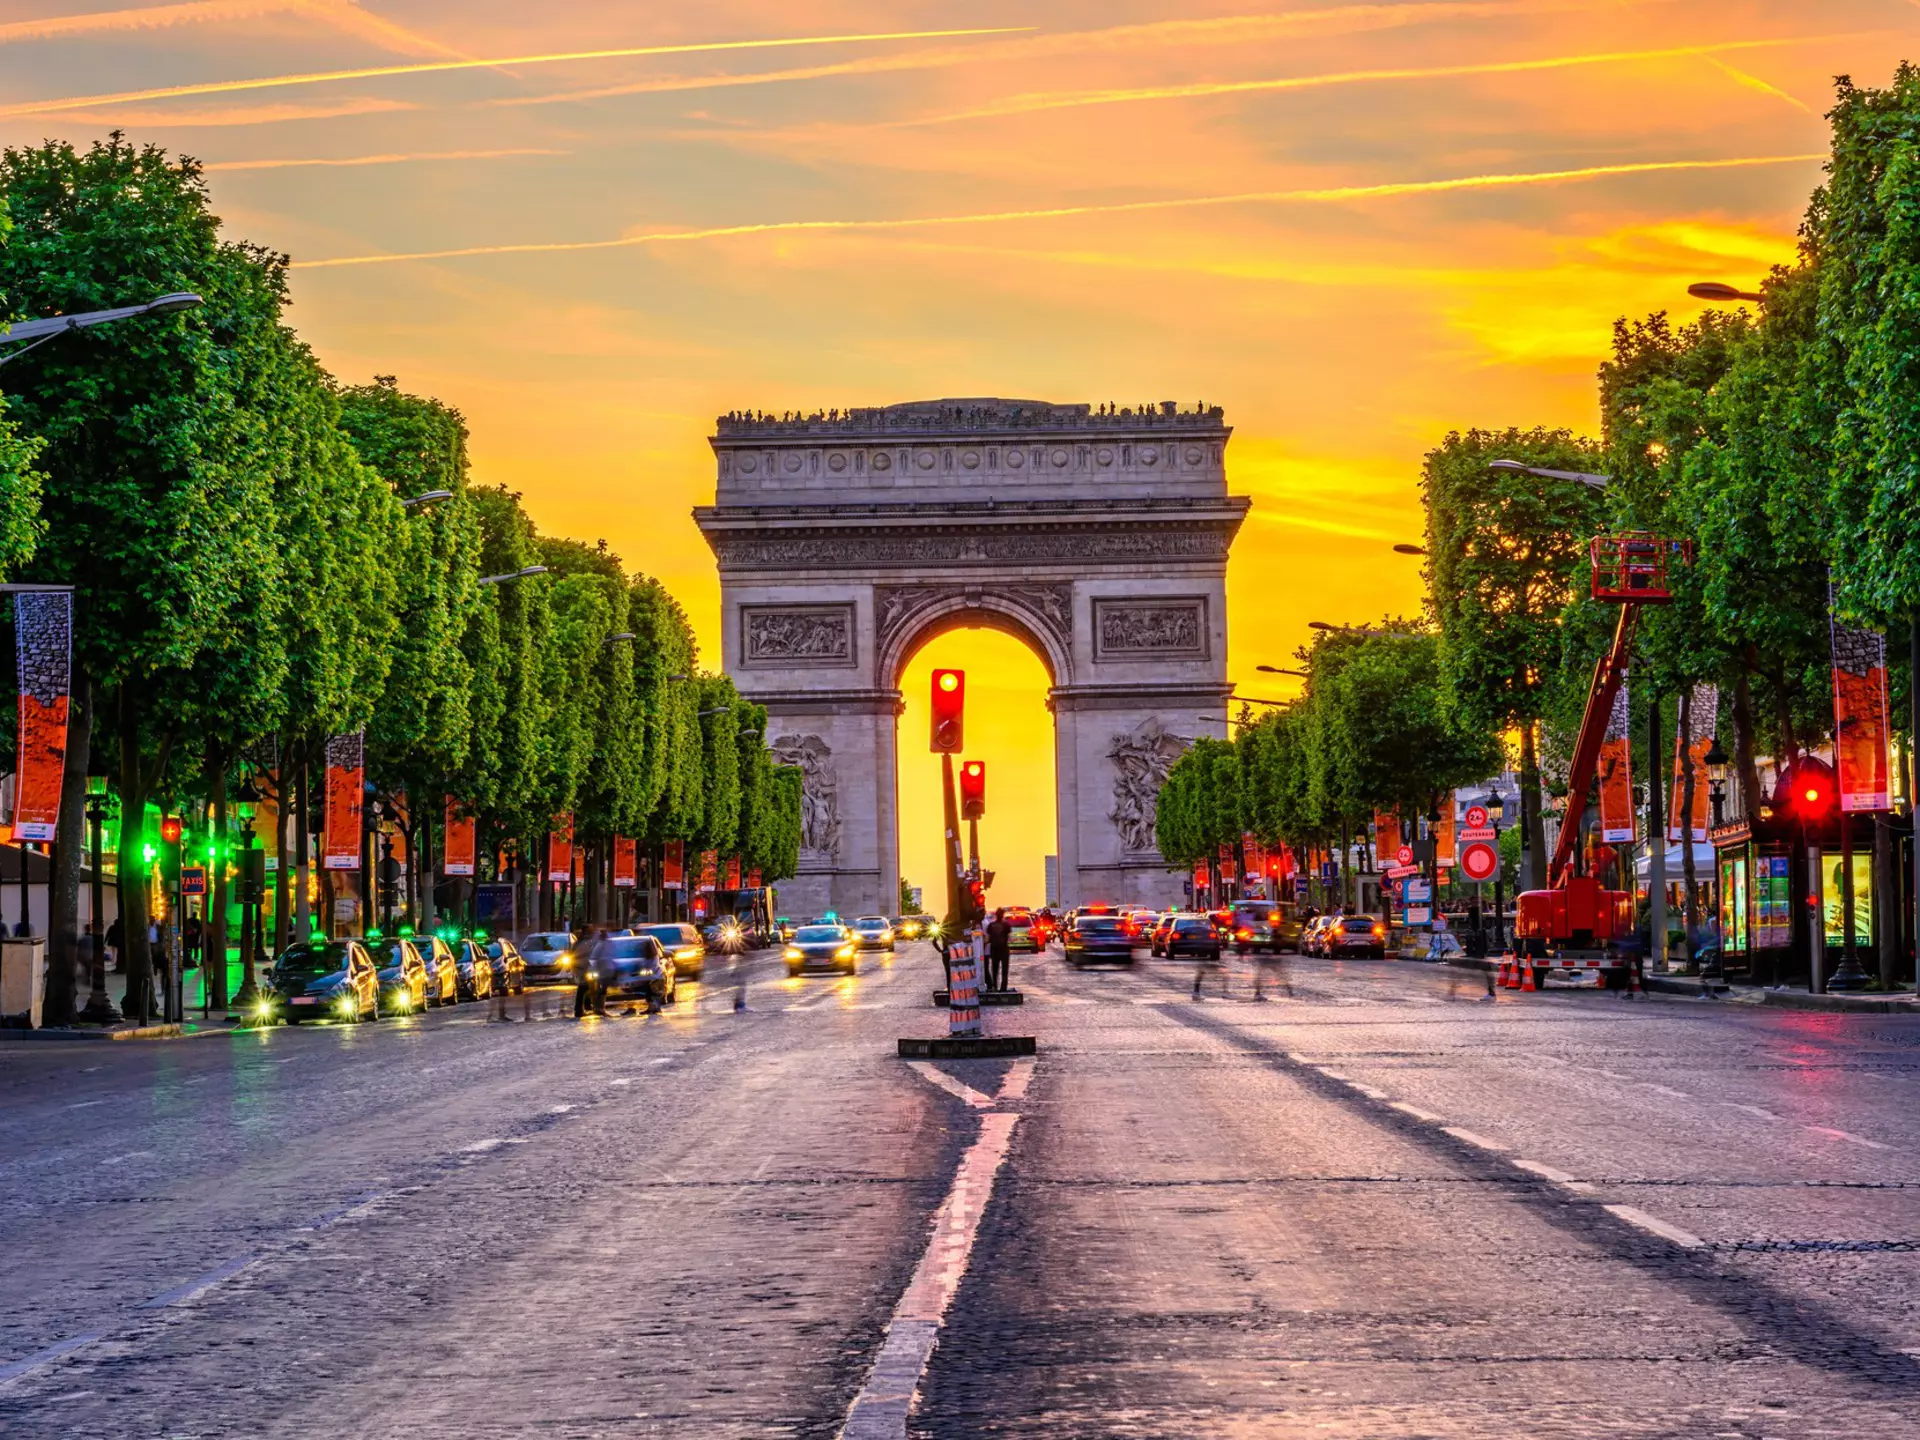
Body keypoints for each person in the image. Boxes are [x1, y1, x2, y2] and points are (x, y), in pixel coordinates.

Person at [572, 927, 607, 1018]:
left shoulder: (582, 942)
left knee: (586, 988)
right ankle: (582, 1009)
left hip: (585, 968)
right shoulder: (584, 943)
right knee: (585, 988)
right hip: (584, 968)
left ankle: (587, 1007)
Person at [984, 908, 1012, 993]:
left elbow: (988, 939)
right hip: (1004, 950)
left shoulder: (991, 925)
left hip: (994, 950)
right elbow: (1009, 938)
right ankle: (1003, 987)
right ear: (1003, 915)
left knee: (994, 970)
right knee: (1004, 970)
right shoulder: (1006, 925)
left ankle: (994, 986)